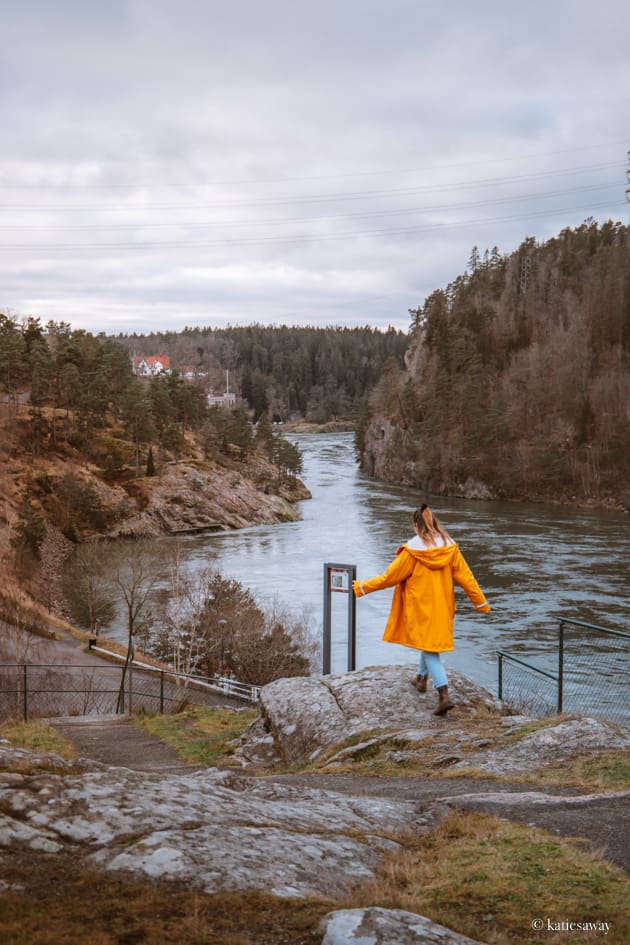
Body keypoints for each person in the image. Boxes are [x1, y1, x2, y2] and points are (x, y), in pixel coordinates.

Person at [352, 504, 490, 715]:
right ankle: (421, 678)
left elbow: (389, 578)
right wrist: (480, 603)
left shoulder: (412, 553)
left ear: (416, 526)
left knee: (430, 649)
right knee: (429, 644)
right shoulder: (450, 549)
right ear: (434, 524)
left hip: (420, 608)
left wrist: (362, 587)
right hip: (443, 608)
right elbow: (467, 578)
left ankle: (443, 694)